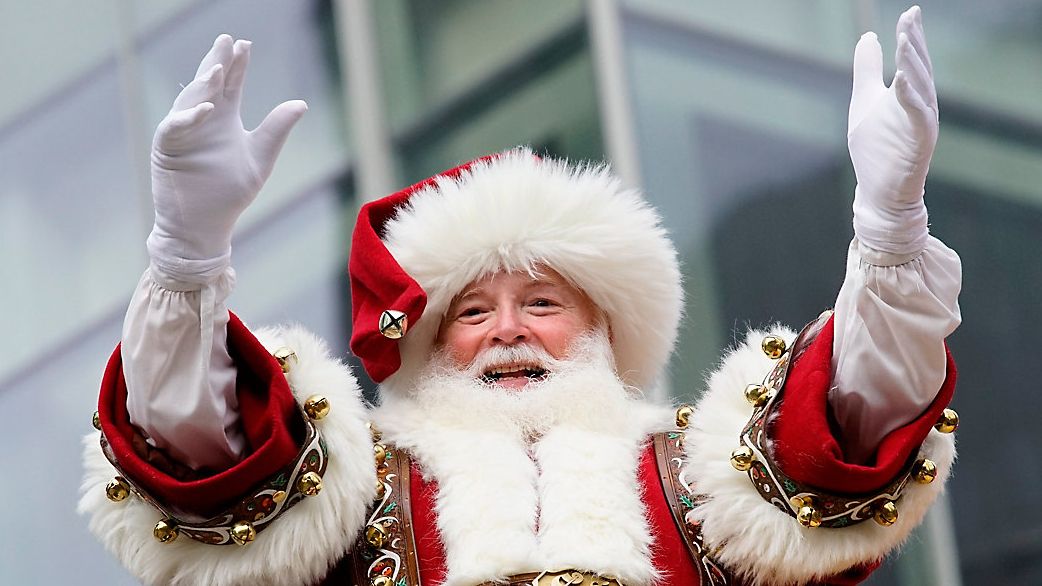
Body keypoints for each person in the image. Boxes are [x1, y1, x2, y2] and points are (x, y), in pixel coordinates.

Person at [80, 6, 962, 586]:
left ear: (604, 328)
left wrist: (888, 228)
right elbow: (196, 441)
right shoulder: (354, 487)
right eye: (470, 311)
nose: (507, 330)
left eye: (542, 303)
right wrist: (187, 255)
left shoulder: (707, 477)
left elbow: (855, 416)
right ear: (430, 342)